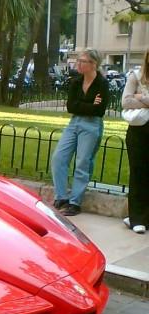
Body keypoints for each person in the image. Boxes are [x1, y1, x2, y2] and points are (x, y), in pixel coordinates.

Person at [51, 49, 109, 216]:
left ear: (93, 64)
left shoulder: (102, 84)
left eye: (83, 61)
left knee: (83, 162)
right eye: (79, 60)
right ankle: (61, 197)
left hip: (92, 125)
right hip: (74, 121)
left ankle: (75, 202)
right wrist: (90, 104)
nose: (79, 64)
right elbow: (71, 106)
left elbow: (99, 110)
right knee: (59, 158)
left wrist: (86, 105)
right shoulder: (76, 82)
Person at [121, 49, 149, 233]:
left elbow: (133, 99)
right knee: (138, 173)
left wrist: (141, 97)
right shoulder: (136, 77)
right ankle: (136, 218)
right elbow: (125, 102)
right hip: (139, 131)